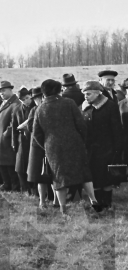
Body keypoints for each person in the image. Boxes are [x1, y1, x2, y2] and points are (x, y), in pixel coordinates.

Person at [31, 80, 102, 215]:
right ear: (59, 90)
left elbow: (36, 133)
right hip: (74, 142)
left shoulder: (40, 108)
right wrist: (81, 140)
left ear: (43, 92)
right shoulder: (69, 103)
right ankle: (93, 200)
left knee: (58, 177)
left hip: (53, 147)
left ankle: (63, 208)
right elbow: (81, 124)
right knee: (84, 172)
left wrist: (46, 145)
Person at [81, 80, 124, 209]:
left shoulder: (110, 106)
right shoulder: (84, 107)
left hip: (107, 149)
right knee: (94, 177)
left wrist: (117, 150)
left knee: (106, 178)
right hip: (90, 150)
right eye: (84, 94)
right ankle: (97, 203)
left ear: (97, 93)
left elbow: (117, 129)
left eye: (88, 94)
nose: (86, 97)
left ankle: (107, 203)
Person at [0, 81, 22, 192]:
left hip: (7, 139)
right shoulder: (5, 102)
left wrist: (6, 134)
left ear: (10, 90)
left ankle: (14, 186)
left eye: (4, 90)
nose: (1, 93)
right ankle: (6, 184)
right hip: (0, 138)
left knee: (9, 164)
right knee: (2, 163)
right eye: (0, 91)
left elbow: (14, 122)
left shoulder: (15, 103)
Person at [12, 87, 35, 195]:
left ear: (30, 96)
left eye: (27, 98)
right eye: (22, 99)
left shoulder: (36, 108)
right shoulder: (17, 109)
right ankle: (24, 188)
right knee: (20, 167)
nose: (26, 101)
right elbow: (14, 127)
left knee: (32, 166)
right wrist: (14, 143)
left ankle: (33, 190)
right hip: (21, 140)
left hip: (33, 140)